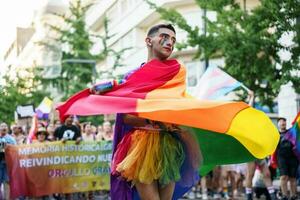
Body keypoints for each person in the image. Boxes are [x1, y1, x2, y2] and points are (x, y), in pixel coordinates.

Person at [91, 24, 200, 200]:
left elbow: (178, 109)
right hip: (141, 148)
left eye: (173, 40)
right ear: (149, 41)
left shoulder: (175, 75)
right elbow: (126, 117)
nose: (170, 42)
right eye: (164, 36)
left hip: (170, 146)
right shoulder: (132, 77)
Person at [276, 117, 298, 200]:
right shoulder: (275, 135)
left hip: (293, 157)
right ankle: (284, 196)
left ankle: (293, 196)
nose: (283, 123)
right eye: (281, 122)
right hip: (281, 157)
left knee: (293, 178)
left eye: (284, 121)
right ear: (278, 124)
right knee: (283, 177)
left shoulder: (291, 132)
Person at [0, 122, 16, 200]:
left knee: (7, 182)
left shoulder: (11, 139)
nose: (3, 127)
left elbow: (15, 150)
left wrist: (8, 146)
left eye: (5, 126)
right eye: (2, 126)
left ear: (7, 128)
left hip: (7, 164)